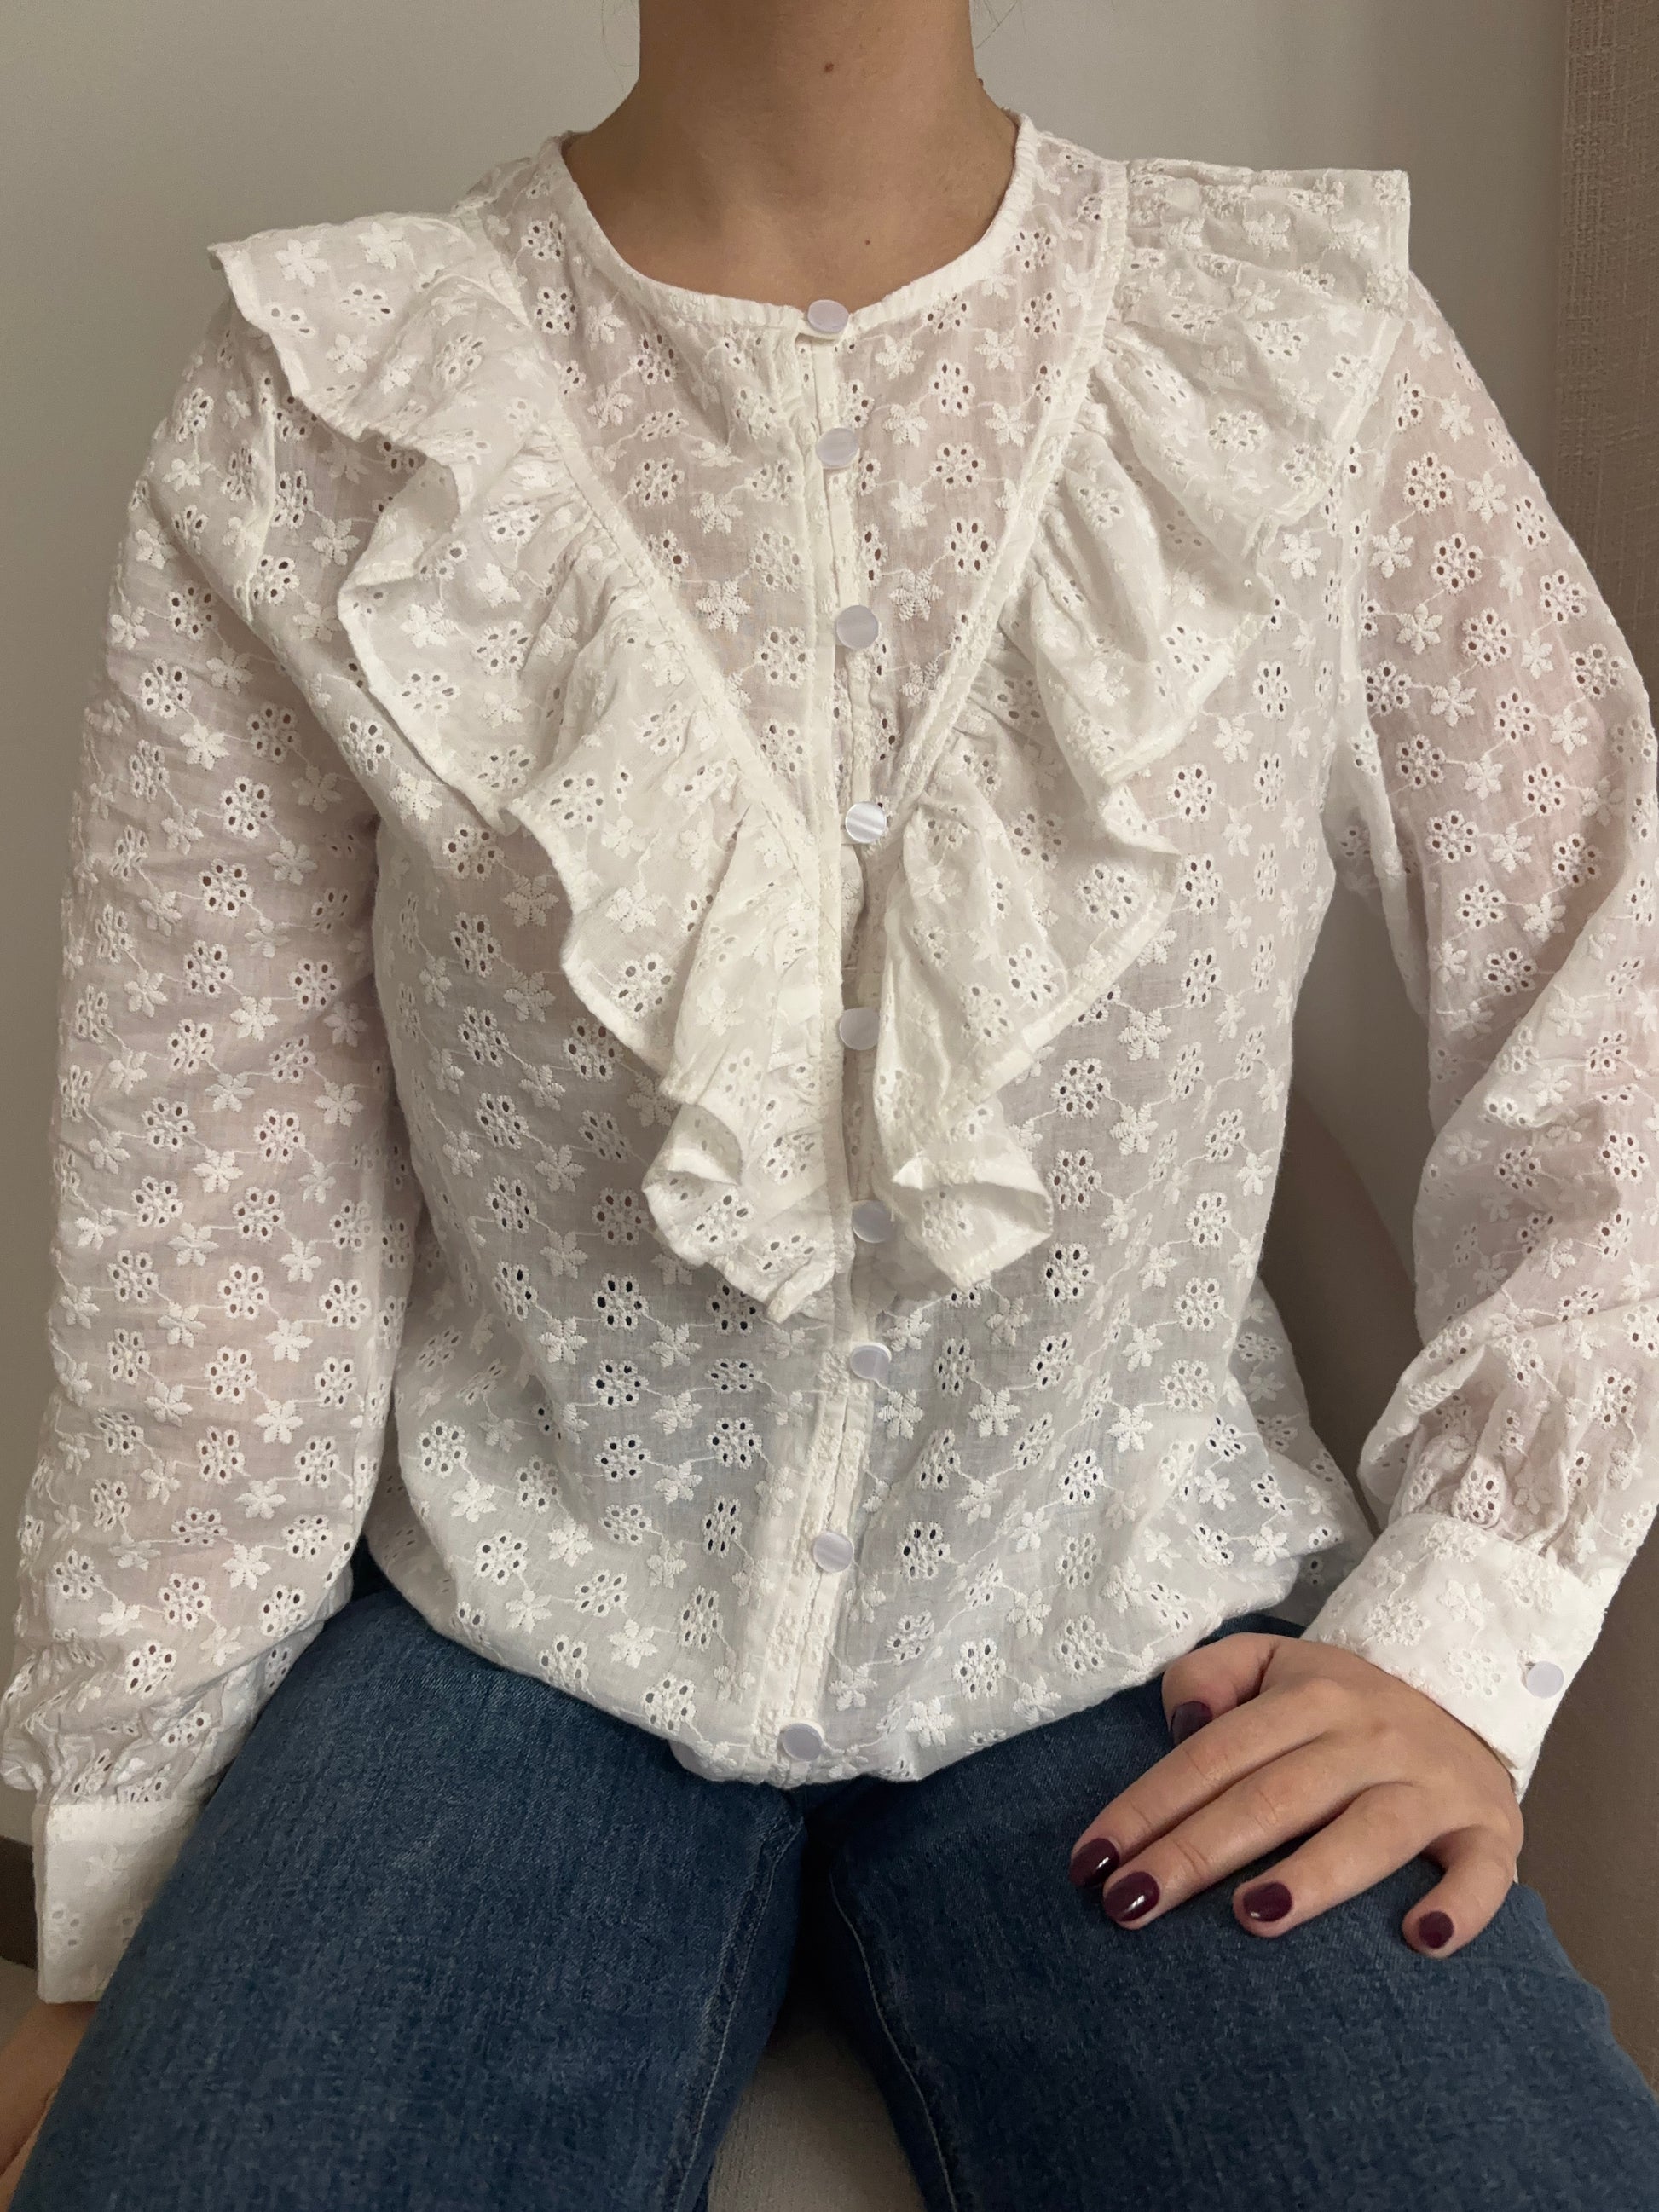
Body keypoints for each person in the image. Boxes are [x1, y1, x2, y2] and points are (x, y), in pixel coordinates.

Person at [6, 2, 1659, 2203]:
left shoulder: (1292, 349)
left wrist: (1462, 1622)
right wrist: (104, 1915)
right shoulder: (330, 406)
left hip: (1133, 1629)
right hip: (505, 1641)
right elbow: (207, 1249)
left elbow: (1604, 980)